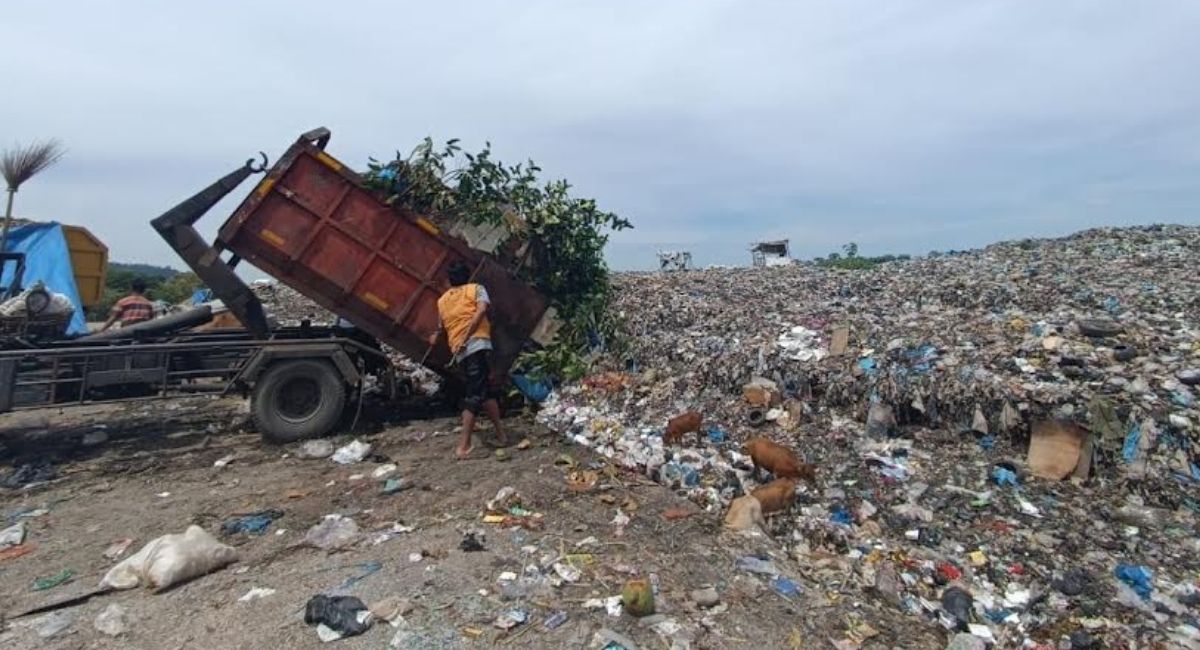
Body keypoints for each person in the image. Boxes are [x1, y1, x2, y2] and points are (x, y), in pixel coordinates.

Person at [430, 261, 507, 459]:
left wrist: (436, 337)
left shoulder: (442, 301)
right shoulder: (476, 289)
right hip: (475, 345)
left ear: (449, 281)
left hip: (460, 351)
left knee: (486, 390)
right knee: (475, 395)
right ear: (468, 277)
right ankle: (463, 446)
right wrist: (469, 334)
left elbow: (441, 327)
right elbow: (481, 311)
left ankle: (501, 435)